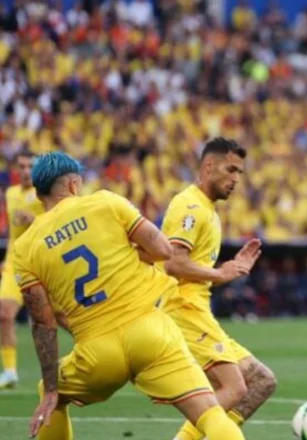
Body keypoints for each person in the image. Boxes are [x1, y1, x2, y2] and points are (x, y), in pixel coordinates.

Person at [13, 152, 245, 440]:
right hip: (150, 332)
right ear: (74, 184)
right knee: (209, 413)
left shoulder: (24, 248)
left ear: (38, 193)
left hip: (97, 350)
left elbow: (43, 323)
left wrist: (49, 389)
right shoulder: (105, 202)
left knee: (54, 394)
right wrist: (128, 253)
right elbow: (163, 250)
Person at [160, 138, 277, 440]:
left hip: (197, 312)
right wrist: (219, 274)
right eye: (231, 170)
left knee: (262, 382)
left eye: (240, 172)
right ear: (209, 166)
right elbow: (172, 262)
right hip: (182, 310)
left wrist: (226, 269)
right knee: (235, 387)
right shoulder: (190, 206)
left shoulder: (208, 210)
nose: (236, 179)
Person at [0, 150, 44, 388]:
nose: (26, 171)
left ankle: (93, 353)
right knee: (4, 315)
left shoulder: (45, 193)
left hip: (41, 265)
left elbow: (59, 224)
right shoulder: (11, 193)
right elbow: (13, 232)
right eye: (22, 166)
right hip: (14, 263)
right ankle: (9, 372)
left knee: (61, 319)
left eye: (31, 166)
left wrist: (35, 220)